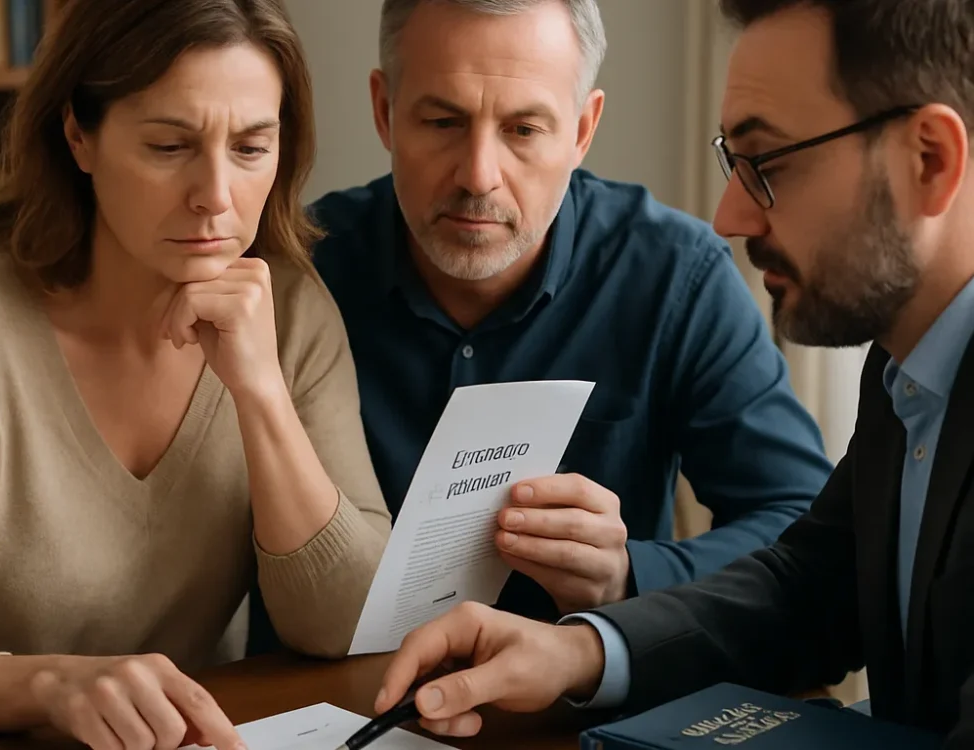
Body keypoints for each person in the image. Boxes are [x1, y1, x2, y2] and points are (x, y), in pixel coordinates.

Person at [372, 0, 974, 745]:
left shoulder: (677, 273)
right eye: (735, 163)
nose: (729, 216)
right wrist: (584, 650)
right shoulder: (907, 369)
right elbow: (813, 590)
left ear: (930, 162)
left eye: (770, 163)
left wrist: (625, 576)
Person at [309, 0, 833, 621]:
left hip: (578, 708)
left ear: (583, 131)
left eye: (523, 130)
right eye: (444, 122)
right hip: (323, 704)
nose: (479, 176)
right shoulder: (299, 274)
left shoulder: (672, 277)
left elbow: (801, 526)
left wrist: (631, 574)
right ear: (384, 111)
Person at [0, 0, 391, 747]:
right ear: (79, 134)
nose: (215, 197)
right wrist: (53, 684)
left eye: (251, 148)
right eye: (170, 146)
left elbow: (347, 627)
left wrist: (260, 392)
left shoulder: (290, 310)